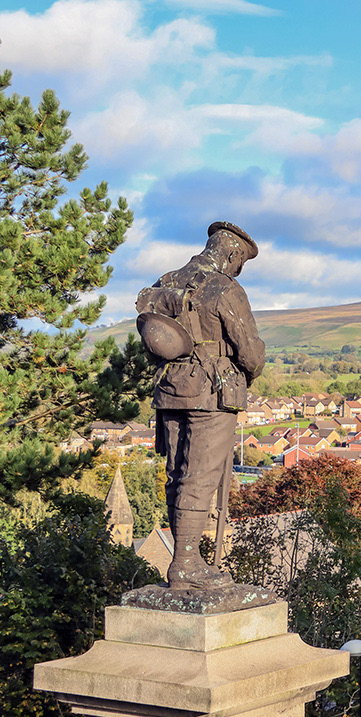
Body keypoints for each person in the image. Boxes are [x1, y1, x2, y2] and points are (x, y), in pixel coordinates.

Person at [136, 222, 266, 589]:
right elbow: (250, 350)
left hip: (170, 390)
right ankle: (186, 565)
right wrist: (249, 372)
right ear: (231, 254)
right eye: (238, 260)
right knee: (200, 477)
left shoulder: (165, 282)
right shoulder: (225, 289)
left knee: (177, 474)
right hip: (213, 392)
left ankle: (184, 558)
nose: (237, 267)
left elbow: (150, 334)